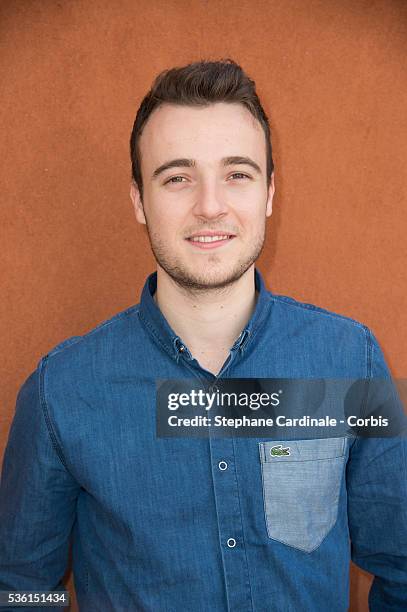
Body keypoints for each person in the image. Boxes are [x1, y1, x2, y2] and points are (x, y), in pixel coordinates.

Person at [0, 58, 406, 612]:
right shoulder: (60, 391)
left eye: (237, 174)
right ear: (140, 200)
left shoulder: (349, 359)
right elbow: (20, 590)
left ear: (268, 194)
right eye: (177, 177)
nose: (210, 206)